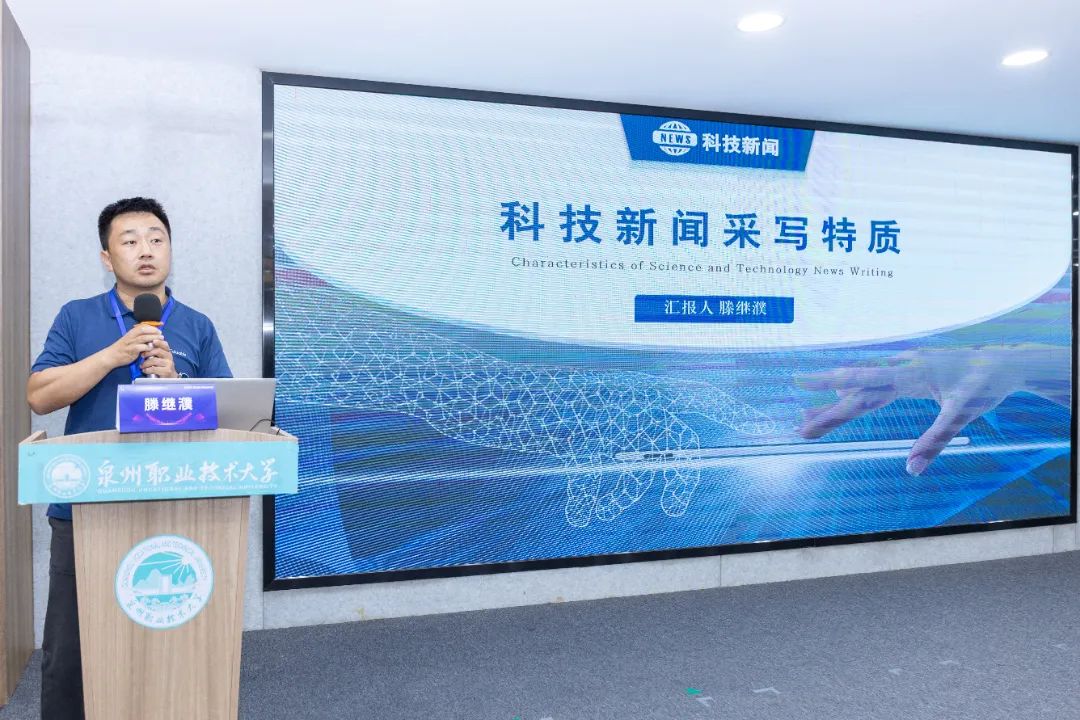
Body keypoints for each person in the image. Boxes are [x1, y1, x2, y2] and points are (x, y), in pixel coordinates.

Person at [27, 197, 232, 720]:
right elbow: (40, 395)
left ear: (170, 250)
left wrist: (178, 382)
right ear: (106, 256)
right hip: (88, 504)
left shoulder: (197, 325)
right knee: (70, 654)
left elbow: (234, 414)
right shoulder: (77, 316)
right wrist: (112, 356)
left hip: (180, 503)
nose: (146, 250)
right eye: (130, 240)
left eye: (157, 239)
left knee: (172, 638)